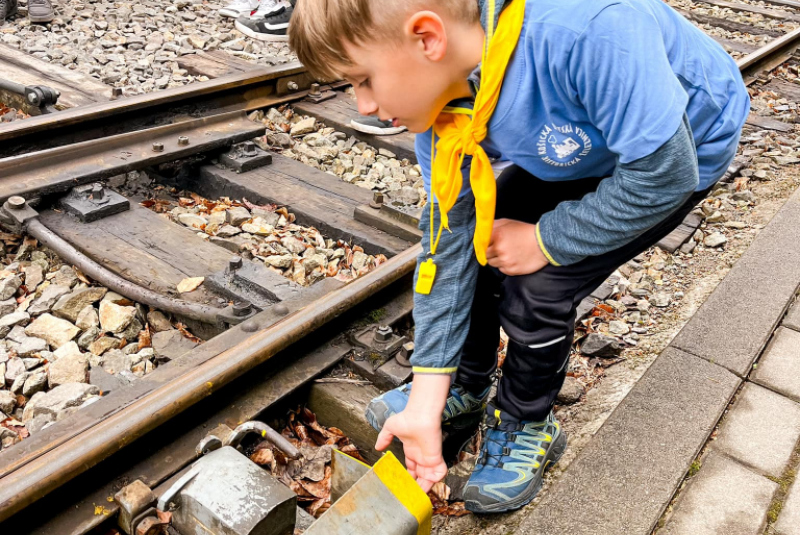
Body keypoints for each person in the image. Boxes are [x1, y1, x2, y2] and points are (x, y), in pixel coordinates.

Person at [289, 0, 749, 514]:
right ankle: (463, 386)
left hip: (673, 152)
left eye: (362, 79)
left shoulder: (590, 31)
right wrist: (425, 399)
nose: (364, 106)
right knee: (482, 246)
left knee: (539, 284)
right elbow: (448, 249)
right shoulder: (443, 112)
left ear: (426, 38)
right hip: (580, 140)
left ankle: (527, 421)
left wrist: (545, 238)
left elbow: (664, 176)